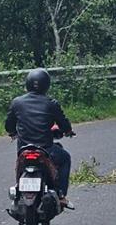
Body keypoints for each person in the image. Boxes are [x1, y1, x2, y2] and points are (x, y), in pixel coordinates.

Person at [5, 68, 75, 208]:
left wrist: (12, 132)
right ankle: (61, 195)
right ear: (46, 85)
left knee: (20, 163)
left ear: (28, 83)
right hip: (46, 150)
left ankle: (19, 188)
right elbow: (63, 123)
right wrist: (68, 131)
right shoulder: (51, 103)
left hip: (24, 150)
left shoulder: (17, 102)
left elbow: (9, 124)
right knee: (65, 157)